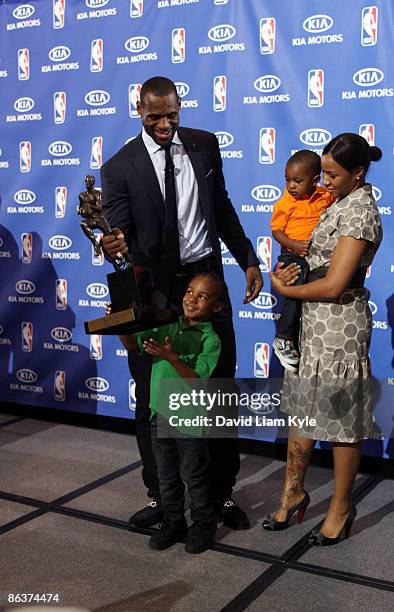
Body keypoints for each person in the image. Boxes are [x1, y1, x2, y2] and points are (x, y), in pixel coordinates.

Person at [100, 76, 263, 530]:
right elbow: (120, 237)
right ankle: (162, 496)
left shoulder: (205, 145)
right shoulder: (119, 167)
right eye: (155, 116)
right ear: (139, 110)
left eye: (172, 114)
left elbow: (222, 205)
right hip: (156, 292)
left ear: (180, 106)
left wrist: (247, 258)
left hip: (207, 280)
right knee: (152, 395)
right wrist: (113, 244)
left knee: (214, 388)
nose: (165, 124)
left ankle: (219, 493)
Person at [264, 133, 383, 545]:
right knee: (302, 410)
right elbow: (313, 263)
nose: (324, 182)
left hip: (340, 329)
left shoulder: (361, 211)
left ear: (358, 173)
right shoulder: (338, 202)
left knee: (340, 422)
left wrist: (286, 292)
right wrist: (286, 275)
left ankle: (340, 508)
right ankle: (292, 493)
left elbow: (334, 285)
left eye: (332, 174)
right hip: (311, 326)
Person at [116, 273, 224, 553]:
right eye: (190, 292)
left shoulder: (210, 340)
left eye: (202, 296)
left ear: (217, 307)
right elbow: (132, 344)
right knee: (166, 475)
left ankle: (203, 523)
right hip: (159, 415)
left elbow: (197, 381)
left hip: (189, 418)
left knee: (194, 475)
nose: (192, 299)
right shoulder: (168, 326)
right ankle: (174, 521)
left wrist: (172, 358)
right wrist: (120, 323)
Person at [271, 150, 333, 371]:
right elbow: (276, 231)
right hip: (292, 255)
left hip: (315, 259)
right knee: (295, 291)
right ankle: (283, 337)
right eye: (287, 180)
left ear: (315, 180)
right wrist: (293, 244)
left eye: (297, 181)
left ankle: (297, 338)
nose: (291, 186)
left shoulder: (326, 196)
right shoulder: (284, 203)